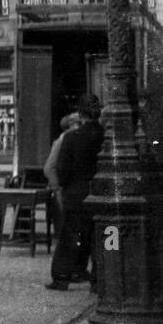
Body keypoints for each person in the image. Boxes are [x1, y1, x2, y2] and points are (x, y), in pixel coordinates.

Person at [47, 95, 103, 290]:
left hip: (77, 195)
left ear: (80, 114)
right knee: (106, 237)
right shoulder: (107, 136)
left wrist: (64, 186)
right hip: (103, 193)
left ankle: (61, 277)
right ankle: (103, 277)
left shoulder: (71, 138)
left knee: (71, 236)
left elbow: (62, 170)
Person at [43, 112, 81, 232]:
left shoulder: (70, 139)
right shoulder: (64, 140)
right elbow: (49, 167)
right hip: (63, 189)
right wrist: (57, 187)